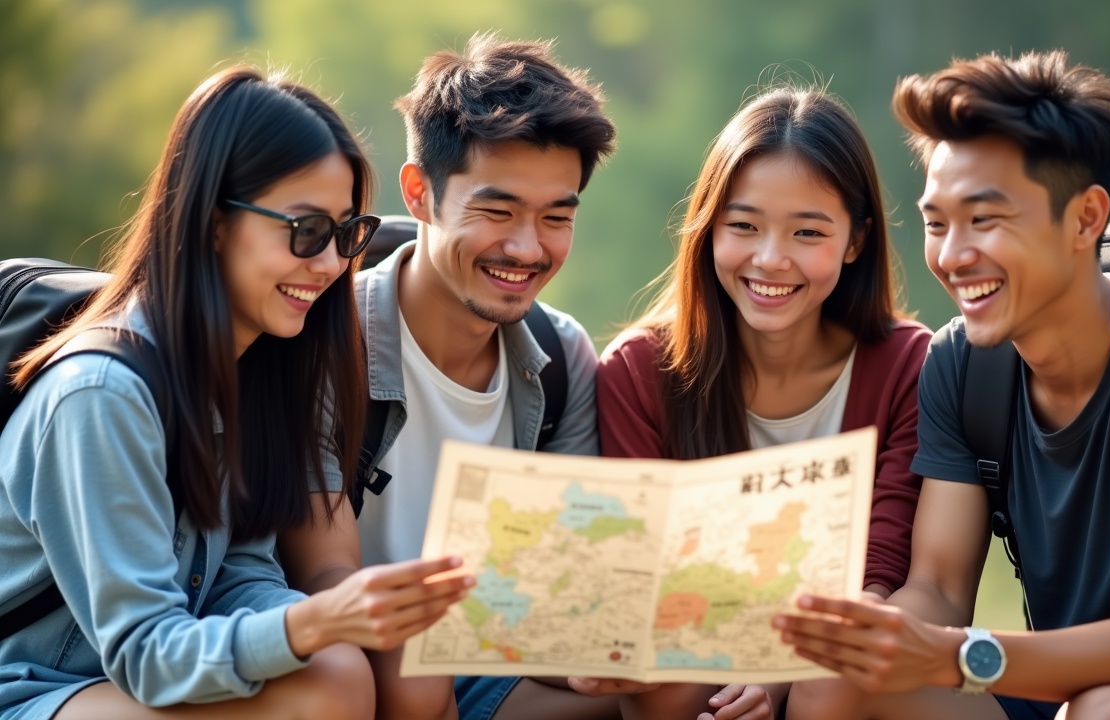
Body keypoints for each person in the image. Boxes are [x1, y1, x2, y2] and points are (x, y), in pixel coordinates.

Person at [774, 50, 1110, 719]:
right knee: (835, 681)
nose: (951, 256)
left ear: (1085, 219)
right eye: (935, 223)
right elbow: (937, 587)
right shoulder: (962, 363)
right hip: (1055, 695)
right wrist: (873, 634)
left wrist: (954, 655)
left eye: (985, 220)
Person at [0, 68, 473, 720]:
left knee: (339, 675)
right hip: (36, 685)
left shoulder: (253, 367)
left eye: (346, 234)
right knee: (324, 686)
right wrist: (311, 624)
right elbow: (143, 651)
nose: (332, 264)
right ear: (216, 221)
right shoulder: (102, 393)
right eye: (306, 231)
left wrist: (332, 620)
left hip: (141, 680)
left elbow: (236, 575)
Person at [276, 33, 620, 720]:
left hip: (496, 662)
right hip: (356, 668)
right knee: (410, 671)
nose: (527, 247)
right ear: (420, 193)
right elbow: (325, 574)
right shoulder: (319, 342)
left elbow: (564, 577)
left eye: (556, 217)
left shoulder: (561, 356)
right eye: (497, 212)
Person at [589, 85, 931, 719]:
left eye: (807, 232)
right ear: (708, 228)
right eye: (743, 226)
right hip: (695, 664)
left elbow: (881, 572)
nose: (771, 260)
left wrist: (778, 675)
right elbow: (644, 580)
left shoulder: (909, 366)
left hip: (842, 668)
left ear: (856, 241)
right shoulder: (641, 372)